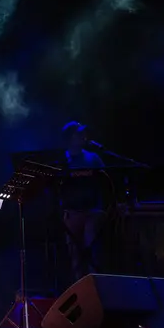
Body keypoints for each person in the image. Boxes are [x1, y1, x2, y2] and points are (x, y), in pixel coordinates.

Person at [59, 121, 106, 282]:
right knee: (75, 256)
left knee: (93, 252)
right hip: (71, 213)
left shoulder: (93, 159)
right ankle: (80, 290)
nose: (82, 137)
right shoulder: (62, 161)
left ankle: (95, 287)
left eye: (82, 134)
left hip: (92, 212)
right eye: (77, 134)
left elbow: (106, 184)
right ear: (69, 138)